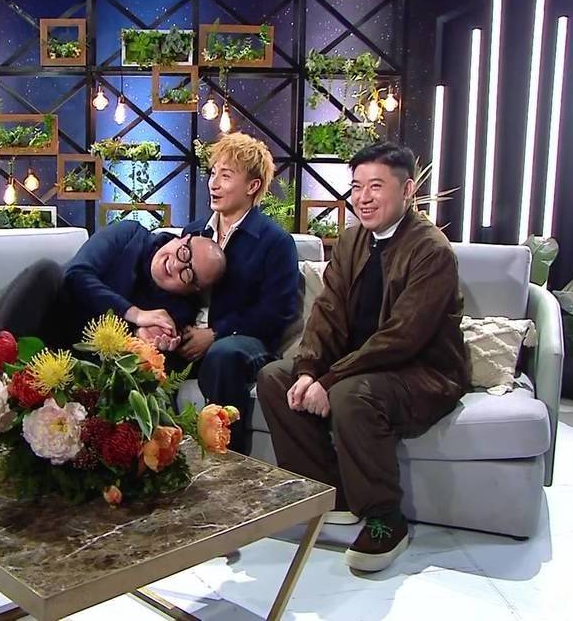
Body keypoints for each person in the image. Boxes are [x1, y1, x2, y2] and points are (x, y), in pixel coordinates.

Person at [256, 142, 470, 573]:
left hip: (422, 371)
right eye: (356, 187)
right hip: (360, 365)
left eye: (376, 186)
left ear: (407, 190)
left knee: (351, 394)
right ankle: (328, 495)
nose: (363, 198)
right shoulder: (353, 239)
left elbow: (402, 338)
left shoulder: (431, 250)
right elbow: (327, 313)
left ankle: (385, 518)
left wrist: (330, 380)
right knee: (275, 377)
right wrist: (308, 370)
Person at [178, 132, 300, 455]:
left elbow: (276, 312)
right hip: (191, 337)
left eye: (226, 176)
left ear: (252, 186)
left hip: (246, 343)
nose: (214, 184)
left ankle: (228, 462)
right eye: (213, 173)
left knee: (223, 355)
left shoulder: (275, 242)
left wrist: (216, 333)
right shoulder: (194, 232)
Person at [38, 219, 227, 350]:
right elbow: (75, 275)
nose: (176, 265)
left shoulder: (176, 314)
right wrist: (135, 314)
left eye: (187, 273)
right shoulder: (129, 233)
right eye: (184, 253)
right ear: (183, 238)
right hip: (48, 314)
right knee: (44, 272)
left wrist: (140, 337)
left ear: (192, 290)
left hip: (82, 362)